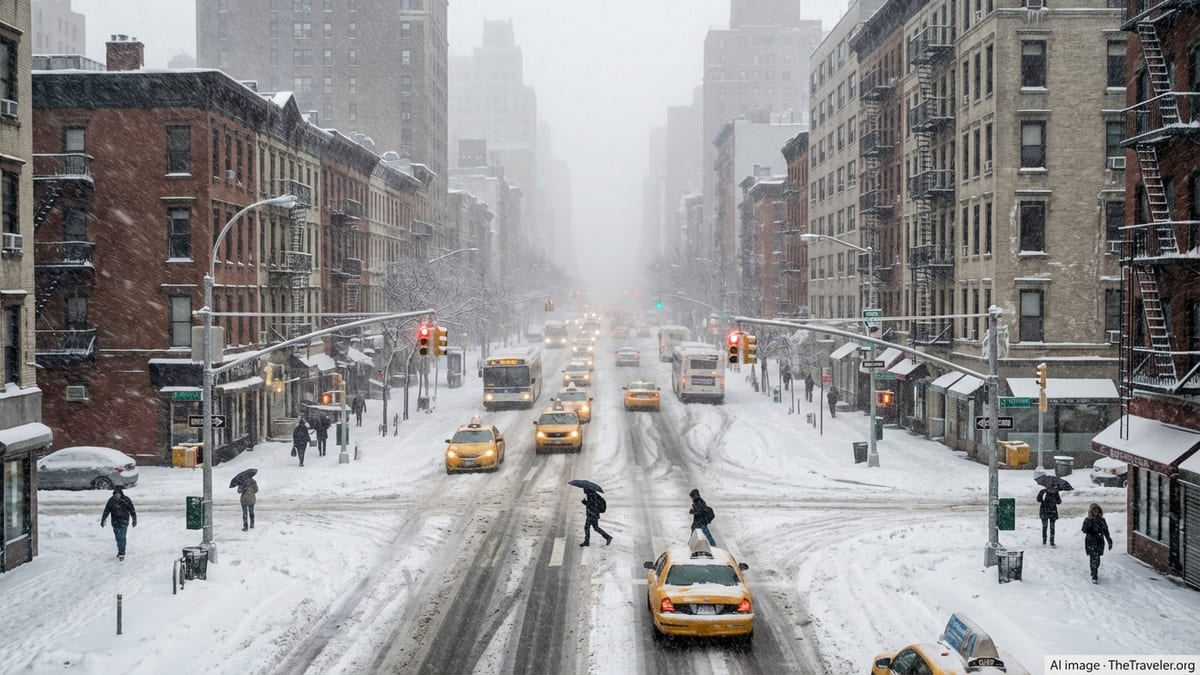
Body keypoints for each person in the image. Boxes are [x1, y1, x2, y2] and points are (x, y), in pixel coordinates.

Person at [100, 487, 137, 561]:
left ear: (121, 494)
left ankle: (122, 553)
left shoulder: (126, 500)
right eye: (115, 495)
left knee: (122, 537)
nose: (117, 496)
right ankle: (120, 550)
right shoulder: (111, 501)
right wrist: (103, 519)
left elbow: (132, 510)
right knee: (117, 538)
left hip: (124, 521)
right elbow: (106, 510)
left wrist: (134, 519)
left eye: (118, 494)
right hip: (115, 522)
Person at [1082, 502, 1114, 584]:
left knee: (1097, 559)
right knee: (1093, 558)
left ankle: (1094, 569)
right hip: (1090, 541)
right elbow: (1084, 530)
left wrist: (1109, 540)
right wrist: (1089, 525)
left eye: (1097, 511)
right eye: (1094, 511)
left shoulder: (1102, 520)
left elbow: (1106, 531)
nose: (1096, 513)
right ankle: (1094, 575)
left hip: (1099, 541)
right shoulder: (1087, 520)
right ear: (1091, 512)